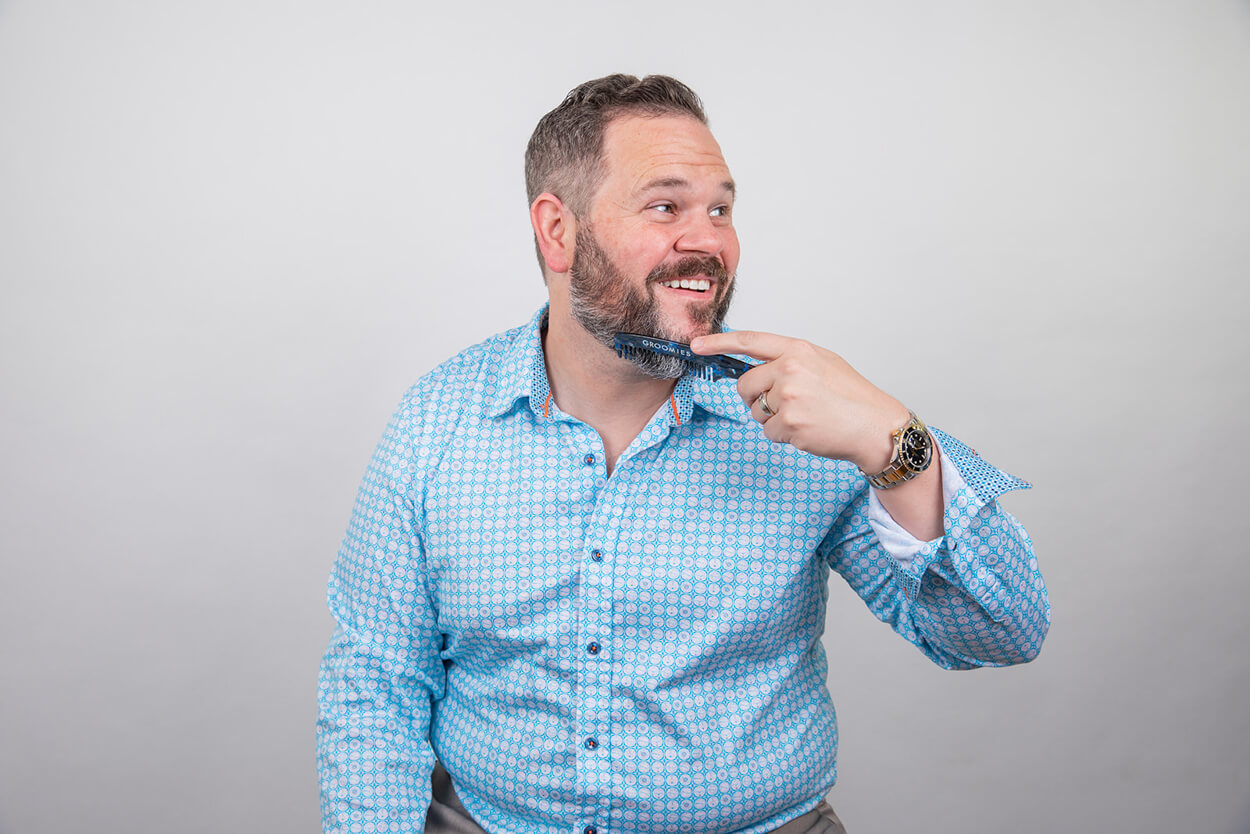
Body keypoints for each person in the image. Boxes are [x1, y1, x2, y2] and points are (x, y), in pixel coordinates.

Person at [317, 73, 1049, 834]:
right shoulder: (437, 420)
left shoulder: (809, 425)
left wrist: (896, 442)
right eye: (666, 206)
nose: (707, 240)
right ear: (558, 230)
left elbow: (998, 634)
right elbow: (377, 681)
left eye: (721, 210)